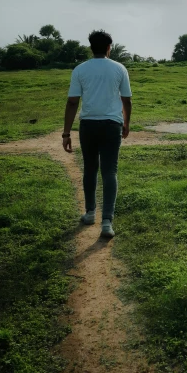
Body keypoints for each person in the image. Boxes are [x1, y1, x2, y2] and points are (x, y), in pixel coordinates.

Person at [62, 29, 132, 239]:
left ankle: (90, 213)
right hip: (112, 125)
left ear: (91, 47)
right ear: (109, 47)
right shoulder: (119, 68)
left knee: (90, 168)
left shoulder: (80, 70)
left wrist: (66, 133)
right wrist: (126, 123)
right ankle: (107, 222)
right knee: (110, 171)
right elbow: (126, 99)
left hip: (88, 125)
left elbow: (73, 101)